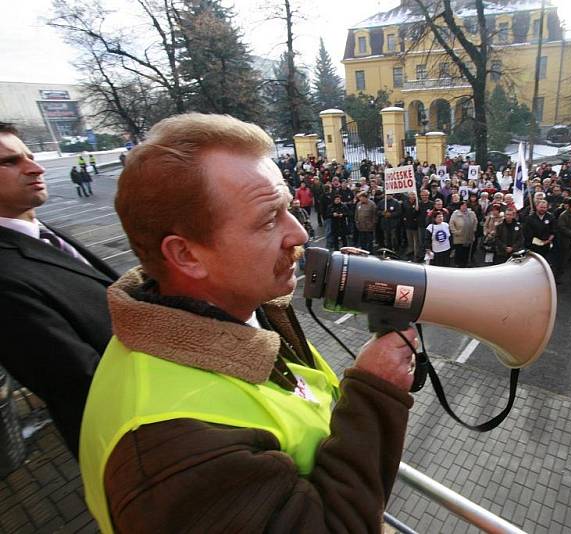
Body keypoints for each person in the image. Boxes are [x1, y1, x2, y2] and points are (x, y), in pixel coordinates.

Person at [80, 113, 416, 532]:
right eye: (268, 219)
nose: (300, 234)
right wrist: (375, 391)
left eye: (289, 209)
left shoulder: (248, 307)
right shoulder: (171, 454)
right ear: (186, 255)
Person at [0, 122, 117, 457]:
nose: (35, 168)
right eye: (10, 162)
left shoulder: (36, 230)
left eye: (30, 156)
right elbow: (80, 381)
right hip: (126, 434)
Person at [449, 200, 478, 267]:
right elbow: (451, 224)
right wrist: (455, 232)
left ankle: (466, 263)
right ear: (460, 206)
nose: (464, 207)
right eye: (462, 205)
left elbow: (475, 221)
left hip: (469, 236)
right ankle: (458, 264)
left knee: (467, 251)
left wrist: (473, 229)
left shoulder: (471, 213)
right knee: (459, 252)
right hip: (459, 237)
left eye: (465, 205)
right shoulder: (455, 214)